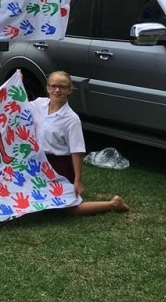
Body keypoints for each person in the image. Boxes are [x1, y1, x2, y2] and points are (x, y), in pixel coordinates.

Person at [31, 71, 129, 216]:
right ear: (48, 88)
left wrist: (78, 181)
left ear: (69, 90)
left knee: (65, 210)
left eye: (62, 87)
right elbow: (16, 104)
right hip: (37, 164)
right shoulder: (39, 104)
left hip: (59, 166)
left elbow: (76, 151)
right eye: (54, 86)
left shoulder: (72, 119)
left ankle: (113, 204)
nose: (57, 90)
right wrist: (18, 81)